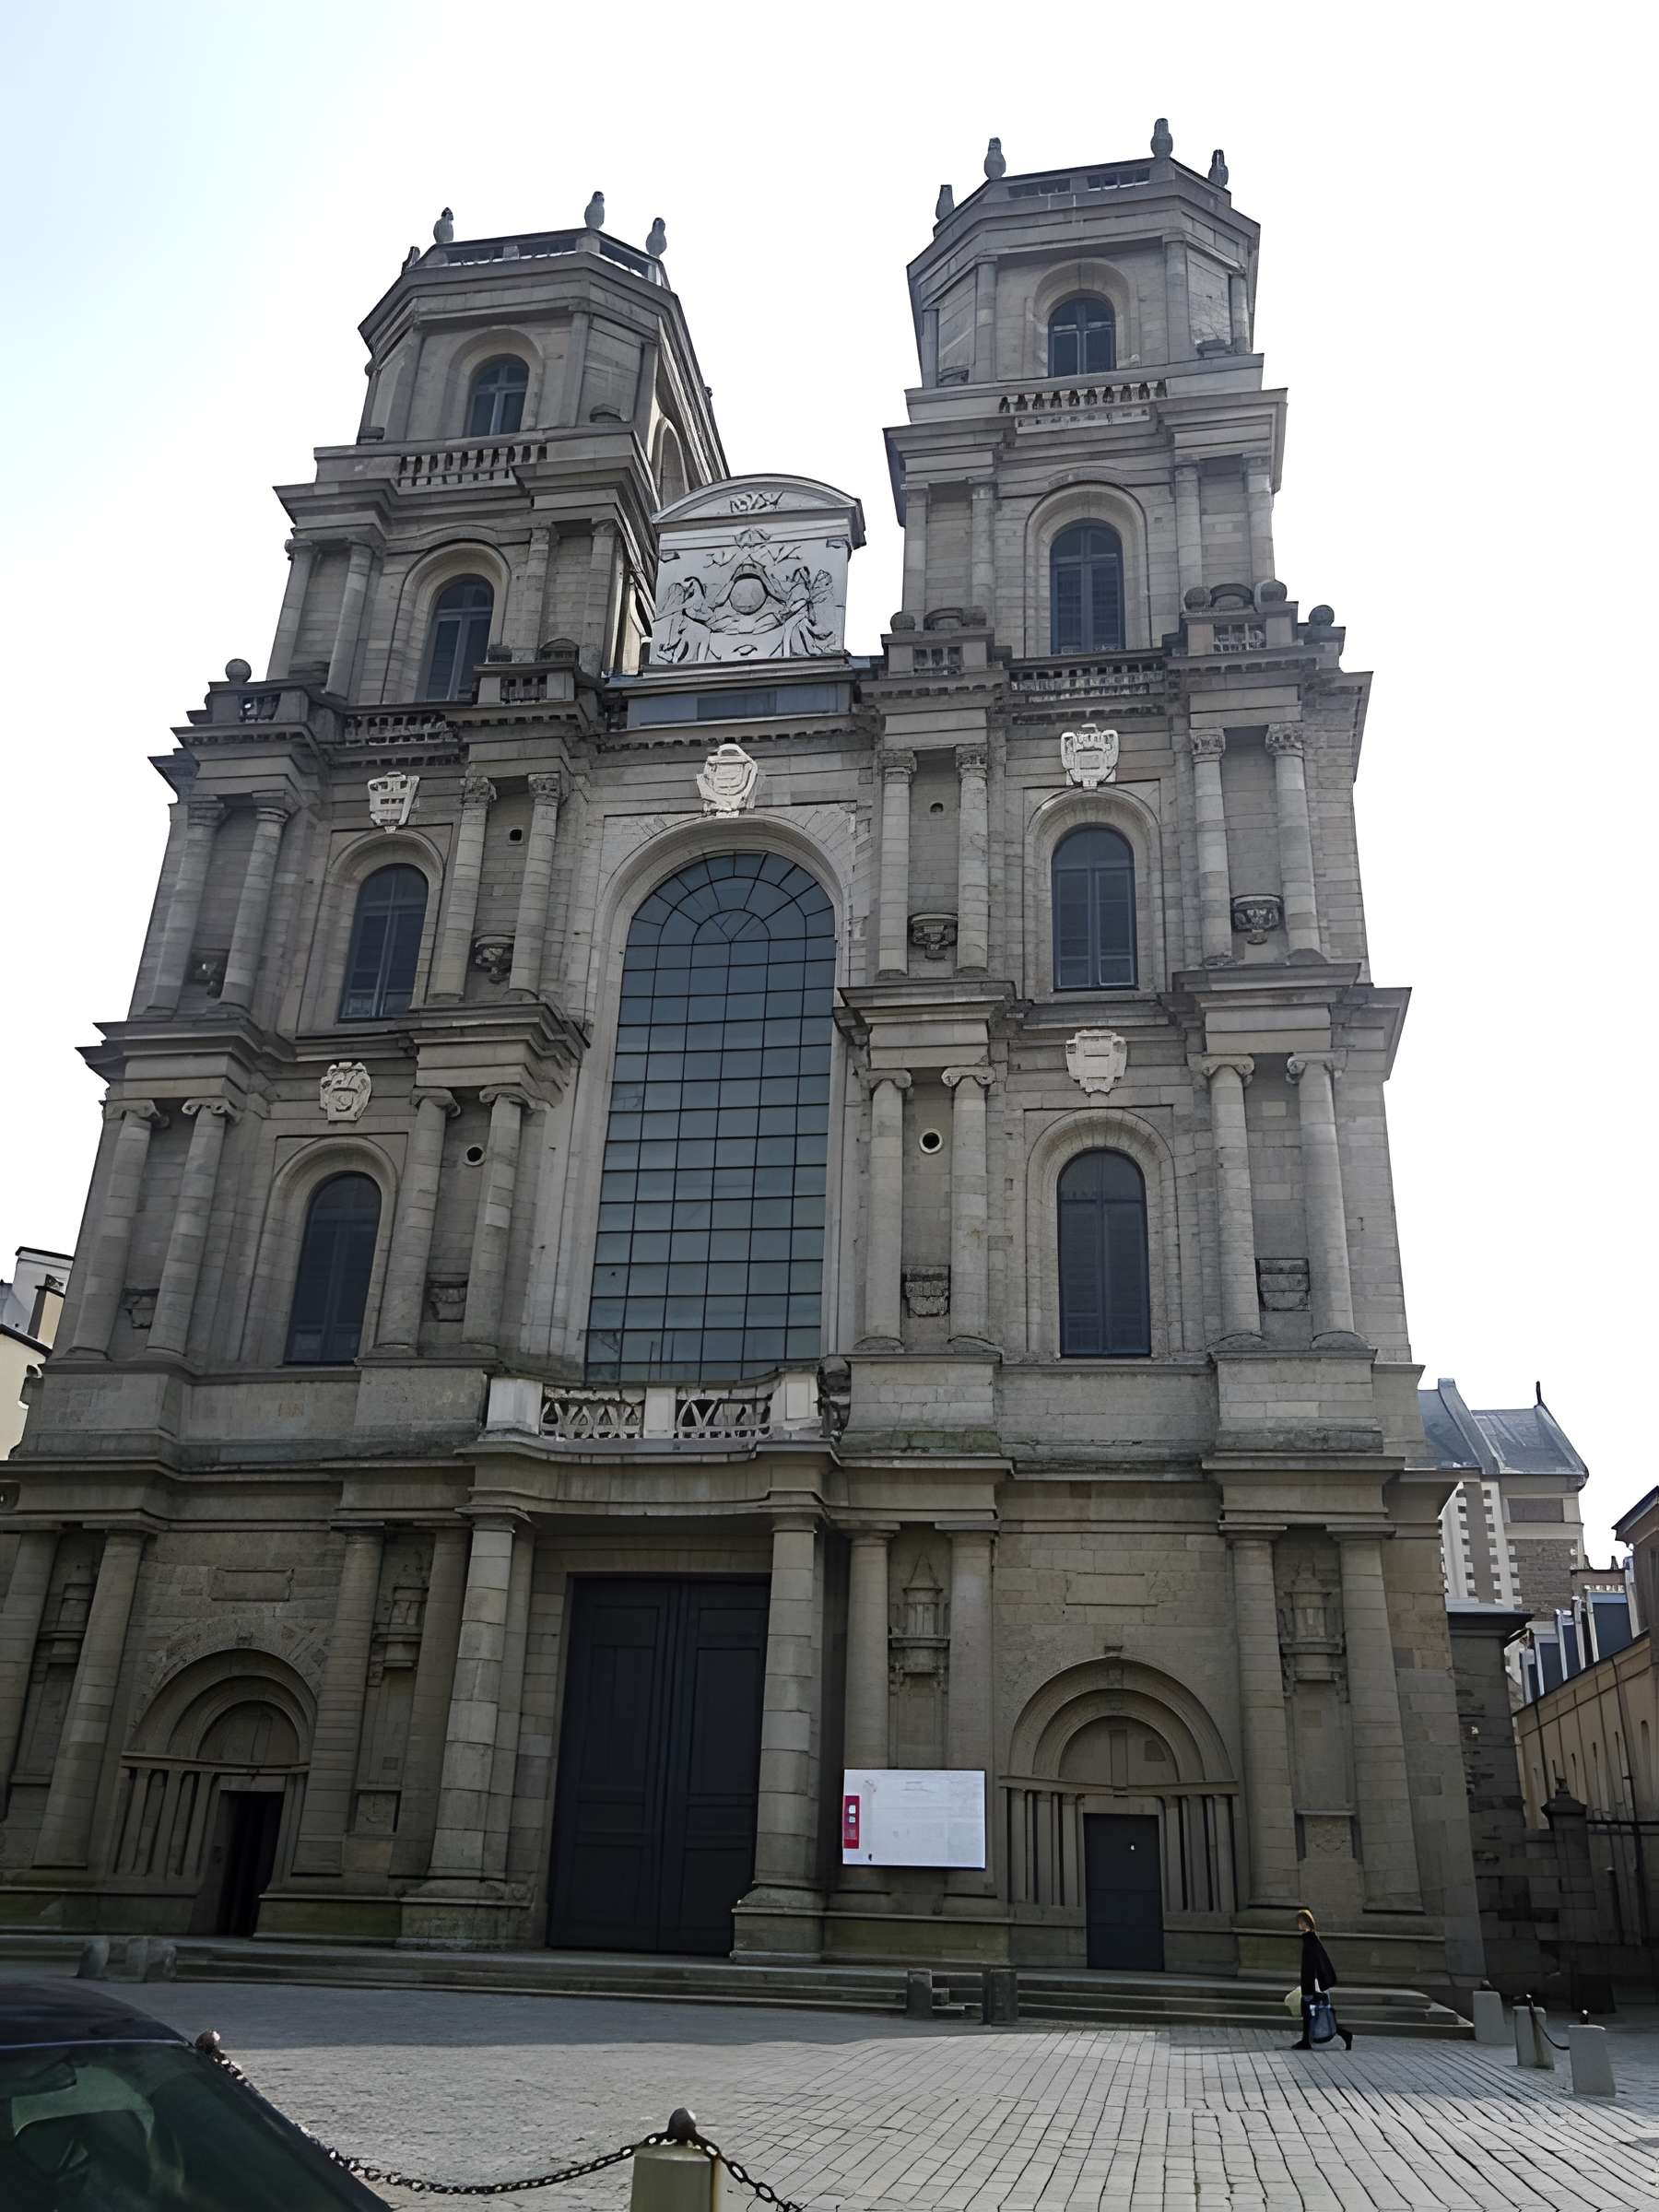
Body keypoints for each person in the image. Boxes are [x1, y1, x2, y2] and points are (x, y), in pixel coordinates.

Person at [1291, 1907, 1353, 2051]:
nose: (1298, 1925)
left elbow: (1311, 1965)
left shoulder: (1310, 1939)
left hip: (1310, 1984)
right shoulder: (1311, 1938)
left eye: (1300, 1921)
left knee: (1311, 2013)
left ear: (1305, 1922)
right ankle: (1342, 2035)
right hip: (1310, 1983)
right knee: (1312, 2013)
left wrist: (1309, 1986)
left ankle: (1307, 2041)